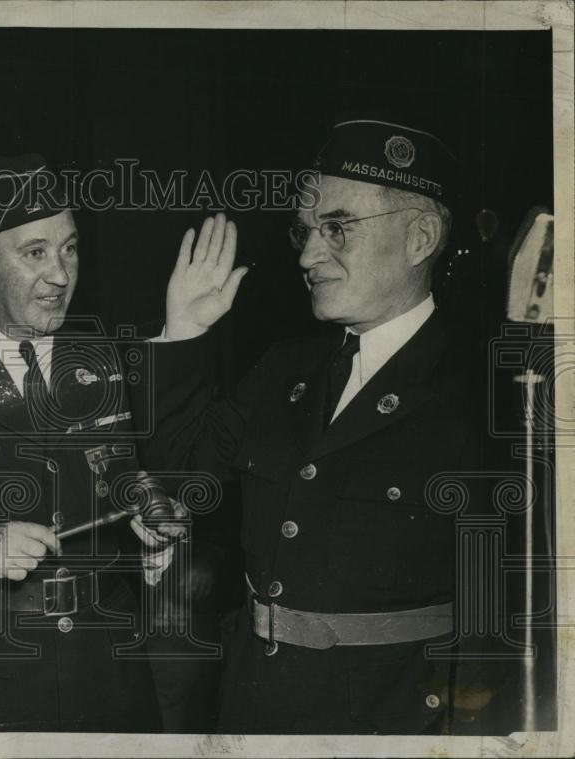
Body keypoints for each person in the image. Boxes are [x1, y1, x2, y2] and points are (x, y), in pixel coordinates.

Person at [140, 119, 492, 733]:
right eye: (305, 231)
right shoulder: (285, 367)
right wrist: (185, 332)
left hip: (394, 720)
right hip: (255, 704)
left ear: (420, 238)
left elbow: (514, 617)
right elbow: (184, 479)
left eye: (337, 227)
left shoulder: (486, 394)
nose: (307, 254)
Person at [0, 155, 175, 732]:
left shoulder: (103, 360)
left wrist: (152, 524)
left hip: (106, 676)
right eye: (35, 252)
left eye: (69, 249)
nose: (61, 275)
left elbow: (119, 479)